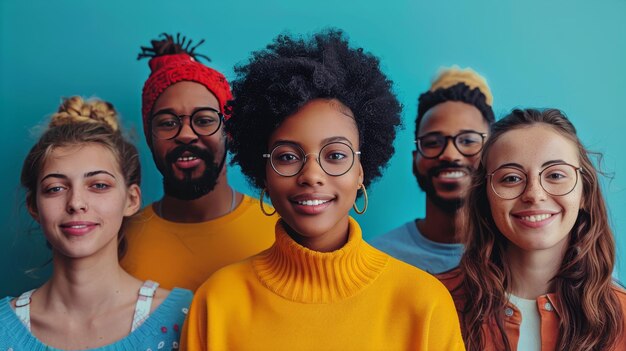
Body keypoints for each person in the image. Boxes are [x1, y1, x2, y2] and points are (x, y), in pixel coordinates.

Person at [182, 29, 464, 351]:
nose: (312, 175)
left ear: (361, 171)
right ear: (264, 174)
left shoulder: (423, 303)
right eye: (287, 156)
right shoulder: (217, 302)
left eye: (335, 155)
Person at [0, 96, 192, 350]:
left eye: (99, 185)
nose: (76, 203)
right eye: (55, 188)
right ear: (34, 206)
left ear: (131, 200)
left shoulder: (184, 317)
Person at [438, 108, 626, 351]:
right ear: (485, 199)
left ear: (584, 194)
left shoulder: (621, 316)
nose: (534, 195)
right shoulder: (436, 301)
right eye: (511, 178)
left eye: (556, 175)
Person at [120, 33, 276, 291]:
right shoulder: (120, 239)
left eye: (204, 120)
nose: (185, 134)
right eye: (168, 123)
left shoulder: (278, 231)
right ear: (149, 137)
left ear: (229, 131)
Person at [370, 67, 495, 274]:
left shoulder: (515, 256)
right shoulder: (378, 259)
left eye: (468, 141)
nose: (450, 154)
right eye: (432, 142)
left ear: (493, 155)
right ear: (414, 161)